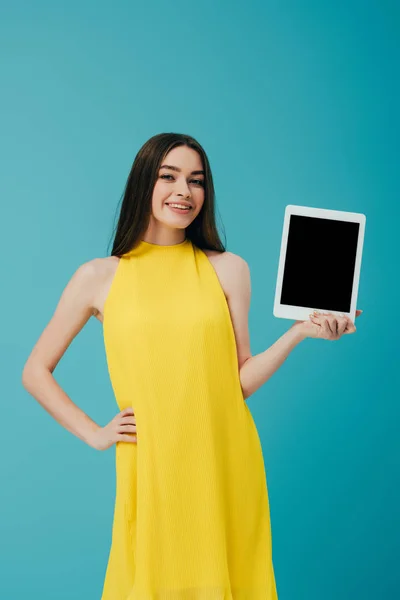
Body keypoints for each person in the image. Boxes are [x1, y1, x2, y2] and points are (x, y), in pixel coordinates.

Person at [21, 132, 362, 599]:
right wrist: (94, 433)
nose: (184, 190)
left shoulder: (229, 269)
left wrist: (299, 332)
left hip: (223, 459)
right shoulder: (99, 277)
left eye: (196, 180)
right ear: (145, 182)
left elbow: (237, 380)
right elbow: (35, 370)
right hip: (154, 466)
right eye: (169, 176)